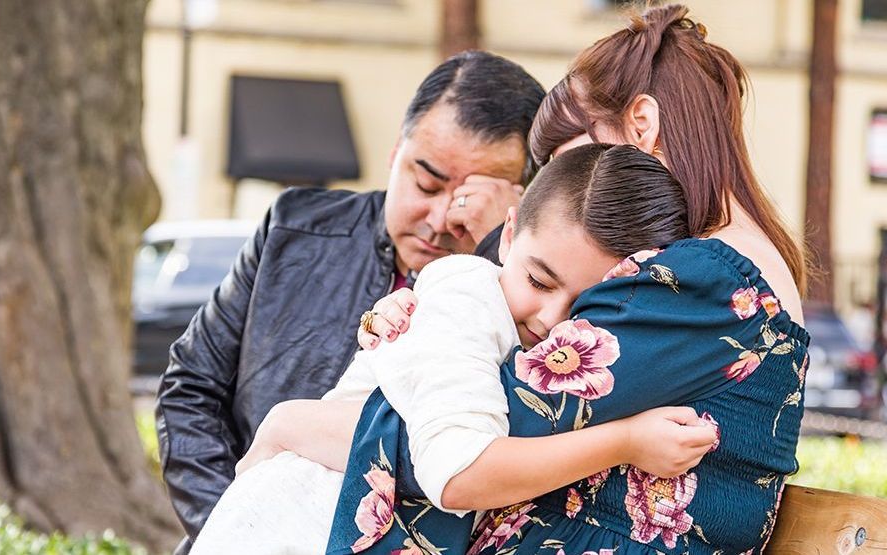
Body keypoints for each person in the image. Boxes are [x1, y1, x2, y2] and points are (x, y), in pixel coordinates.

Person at [352, 5, 810, 553]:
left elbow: (469, 436)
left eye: (584, 162)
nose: (575, 194)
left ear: (641, 125)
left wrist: (302, 422)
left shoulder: (703, 280)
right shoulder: (713, 273)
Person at [189, 144, 718, 555]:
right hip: (296, 522)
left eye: (589, 304)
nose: (553, 319)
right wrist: (625, 441)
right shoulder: (467, 294)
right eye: (538, 280)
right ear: (507, 237)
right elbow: (457, 471)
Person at [154, 50, 546, 551]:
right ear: (394, 153)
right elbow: (191, 385)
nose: (441, 216)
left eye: (473, 197)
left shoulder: (538, 298)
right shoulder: (294, 228)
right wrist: (241, 518)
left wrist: (496, 248)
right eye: (425, 182)